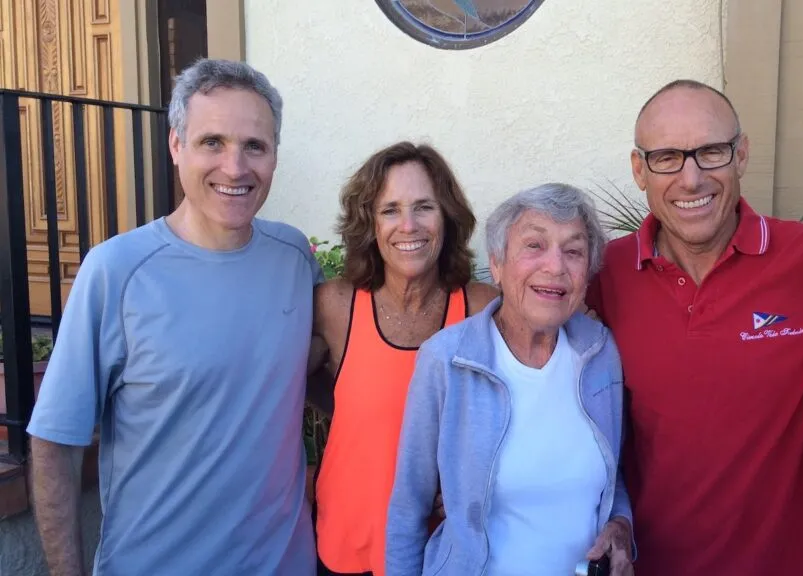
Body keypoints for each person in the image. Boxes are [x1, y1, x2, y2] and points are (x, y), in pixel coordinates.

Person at [27, 59, 319, 575]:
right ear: (176, 146)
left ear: (275, 155)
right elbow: (55, 443)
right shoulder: (116, 271)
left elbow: (320, 370)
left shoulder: (295, 257)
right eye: (212, 142)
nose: (235, 167)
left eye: (255, 146)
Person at [585, 79, 803, 575]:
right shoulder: (605, 274)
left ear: (742, 155)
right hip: (655, 564)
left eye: (711, 152)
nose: (690, 179)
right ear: (638, 170)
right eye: (667, 157)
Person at [384, 183, 633, 576]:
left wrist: (621, 528)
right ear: (497, 264)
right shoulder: (448, 360)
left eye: (573, 251)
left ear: (586, 275)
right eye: (534, 246)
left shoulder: (600, 353)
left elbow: (611, 475)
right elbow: (408, 508)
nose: (555, 266)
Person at [307, 141, 498, 576]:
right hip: (346, 545)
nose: (408, 225)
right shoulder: (335, 306)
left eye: (424, 207)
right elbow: (274, 388)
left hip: (441, 551)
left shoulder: (483, 310)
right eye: (390, 209)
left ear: (446, 218)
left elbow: (522, 415)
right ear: (369, 223)